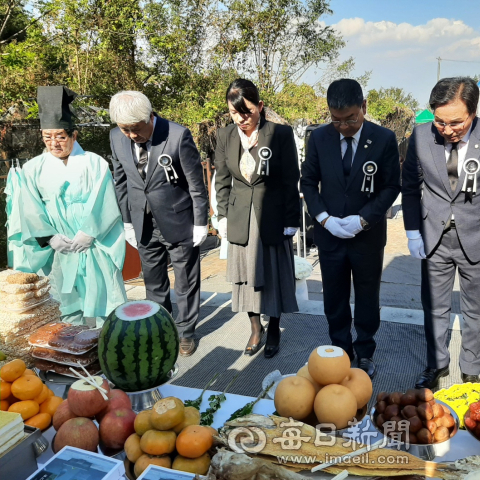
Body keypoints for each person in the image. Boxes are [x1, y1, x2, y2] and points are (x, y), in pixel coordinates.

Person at [402, 77, 480, 389]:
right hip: (434, 236)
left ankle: (471, 368)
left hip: (479, 236)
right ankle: (436, 364)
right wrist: (413, 231)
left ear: (473, 112)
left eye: (456, 122)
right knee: (435, 307)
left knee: (477, 310)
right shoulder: (420, 137)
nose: (448, 130)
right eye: (440, 121)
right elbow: (411, 188)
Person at [300, 78, 401, 379]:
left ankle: (366, 350)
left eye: (351, 119)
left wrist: (363, 219)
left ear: (364, 107)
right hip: (330, 235)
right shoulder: (318, 138)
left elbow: (391, 185)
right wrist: (324, 218)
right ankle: (341, 350)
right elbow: (308, 182)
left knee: (368, 296)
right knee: (334, 297)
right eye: (337, 120)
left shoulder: (383, 138)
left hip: (366, 236)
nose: (344, 126)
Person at [109, 91, 209, 357]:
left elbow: (196, 184)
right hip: (142, 221)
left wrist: (201, 222)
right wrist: (127, 221)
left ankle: (186, 331)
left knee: (185, 281)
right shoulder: (116, 138)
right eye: (125, 129)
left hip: (178, 220)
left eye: (136, 129)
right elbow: (121, 182)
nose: (131, 135)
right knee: (153, 282)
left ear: (149, 117)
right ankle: (161, 328)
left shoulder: (176, 136)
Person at [16, 86, 127, 325]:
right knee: (66, 306)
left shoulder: (94, 163)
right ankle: (69, 357)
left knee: (106, 302)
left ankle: (109, 352)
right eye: (47, 138)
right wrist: (50, 237)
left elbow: (105, 201)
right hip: (60, 248)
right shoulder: (32, 169)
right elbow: (30, 208)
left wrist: (89, 233)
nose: (54, 143)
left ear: (74, 135)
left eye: (60, 137)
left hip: (95, 245)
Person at [215, 79, 300, 358]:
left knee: (272, 276)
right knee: (246, 277)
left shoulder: (280, 134)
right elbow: (223, 181)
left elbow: (290, 179)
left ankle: (273, 327)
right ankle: (255, 327)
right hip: (241, 218)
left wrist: (292, 220)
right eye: (233, 113)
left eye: (247, 112)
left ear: (260, 107)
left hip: (272, 218)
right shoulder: (225, 136)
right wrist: (223, 215)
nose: (241, 119)